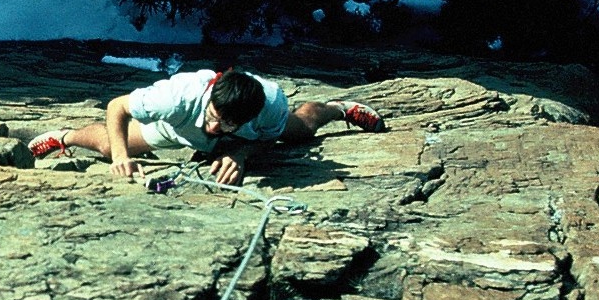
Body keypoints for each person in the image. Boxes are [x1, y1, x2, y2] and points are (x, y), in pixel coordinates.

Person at [27, 67, 384, 186]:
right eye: (213, 116)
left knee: (302, 129)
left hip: (243, 137)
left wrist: (241, 153)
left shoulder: (269, 106)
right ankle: (64, 137)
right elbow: (117, 107)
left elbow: (268, 139)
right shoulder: (176, 98)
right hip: (179, 126)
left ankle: (338, 109)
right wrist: (121, 157)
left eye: (225, 123)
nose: (214, 126)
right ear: (210, 97)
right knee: (110, 146)